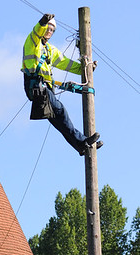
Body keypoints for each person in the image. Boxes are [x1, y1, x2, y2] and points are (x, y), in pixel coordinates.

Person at [22, 13, 103, 155]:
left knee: (60, 121)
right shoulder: (32, 42)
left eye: (52, 30)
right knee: (60, 110)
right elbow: (37, 31)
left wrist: (86, 69)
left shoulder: (49, 50)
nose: (49, 31)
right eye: (48, 28)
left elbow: (65, 62)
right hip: (36, 86)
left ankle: (81, 144)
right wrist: (43, 21)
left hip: (45, 89)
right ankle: (81, 141)